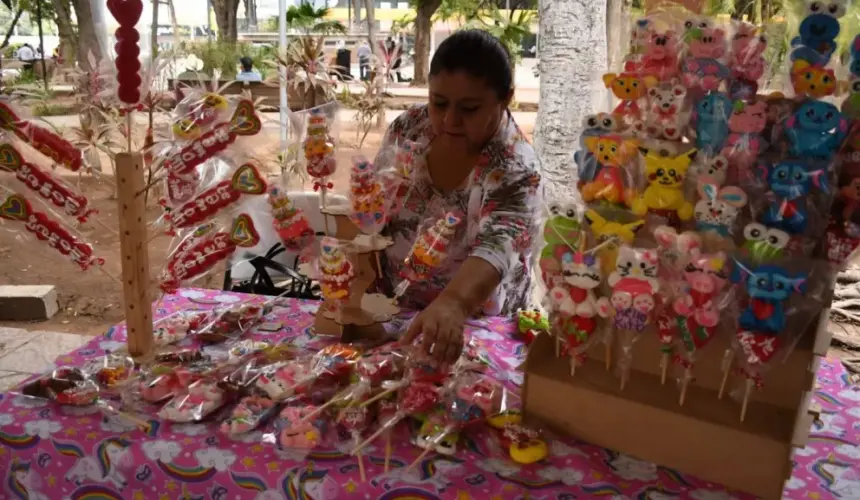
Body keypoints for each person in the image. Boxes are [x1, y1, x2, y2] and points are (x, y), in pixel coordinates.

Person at [377, 30, 541, 364]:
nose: (450, 120)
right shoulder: (407, 130)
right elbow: (377, 208)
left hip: (476, 327)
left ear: (505, 98)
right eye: (439, 103)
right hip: (391, 312)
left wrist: (453, 303)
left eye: (469, 108)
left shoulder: (516, 168)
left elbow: (499, 244)